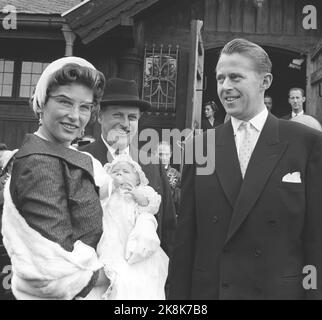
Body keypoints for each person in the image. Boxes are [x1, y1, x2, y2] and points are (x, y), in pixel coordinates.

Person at [169, 38, 322, 300]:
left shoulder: (306, 143)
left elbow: (316, 238)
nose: (225, 87)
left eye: (236, 77)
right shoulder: (199, 146)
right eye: (220, 79)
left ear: (265, 82)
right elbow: (185, 240)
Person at [1, 57, 159, 300]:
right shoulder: (39, 164)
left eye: (84, 106)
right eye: (65, 102)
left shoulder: (73, 156)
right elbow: (52, 274)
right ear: (41, 102)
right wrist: (126, 273)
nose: (75, 116)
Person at [80, 78, 177, 257]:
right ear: (100, 116)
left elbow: (167, 225)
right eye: (118, 115)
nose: (125, 123)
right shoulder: (80, 159)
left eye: (132, 117)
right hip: (92, 273)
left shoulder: (152, 164)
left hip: (143, 274)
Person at [92, 154, 168, 300]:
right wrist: (111, 186)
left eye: (125, 171)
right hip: (112, 236)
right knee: (114, 273)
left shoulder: (141, 191)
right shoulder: (110, 195)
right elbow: (97, 199)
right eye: (115, 172)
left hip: (132, 237)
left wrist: (138, 196)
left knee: (139, 279)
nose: (120, 174)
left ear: (138, 179)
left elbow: (152, 205)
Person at [155, 141, 181, 214]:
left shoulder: (176, 175)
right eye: (160, 154)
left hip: (170, 213)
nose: (163, 157)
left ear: (170, 155)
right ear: (155, 154)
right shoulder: (150, 173)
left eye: (166, 154)